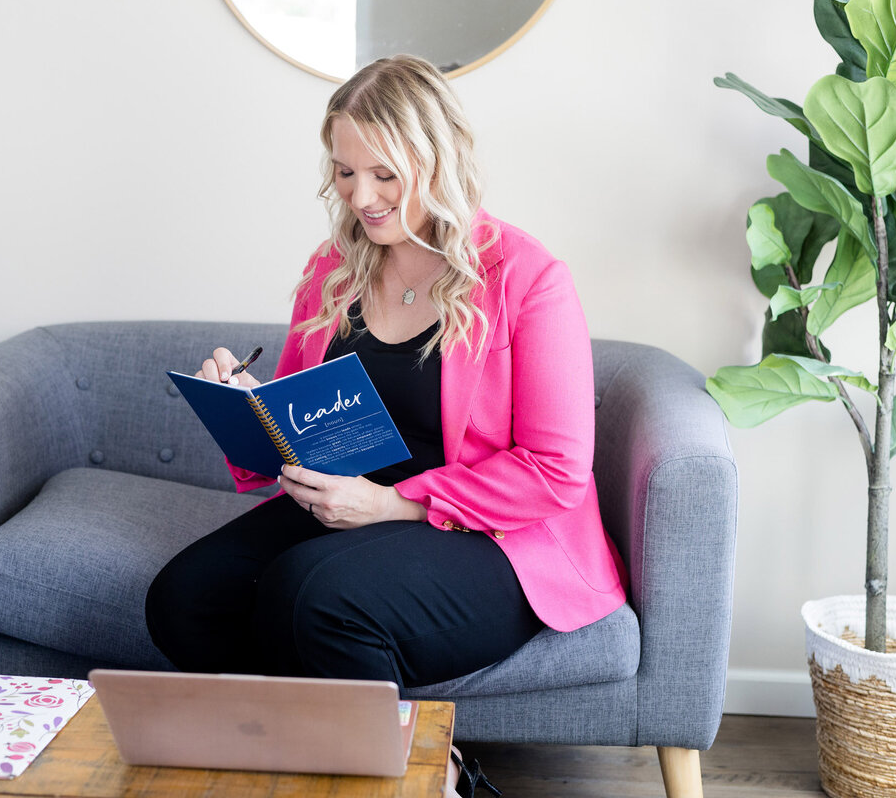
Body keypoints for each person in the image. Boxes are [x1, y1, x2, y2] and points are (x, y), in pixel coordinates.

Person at [145, 54, 627, 798]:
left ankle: (436, 780)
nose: (361, 197)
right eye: (344, 172)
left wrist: (395, 505)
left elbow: (556, 472)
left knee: (314, 595)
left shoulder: (528, 279)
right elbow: (308, 422)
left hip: (493, 535)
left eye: (384, 175)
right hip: (347, 510)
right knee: (184, 597)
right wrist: (248, 405)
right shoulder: (334, 267)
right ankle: (308, 770)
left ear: (437, 162)